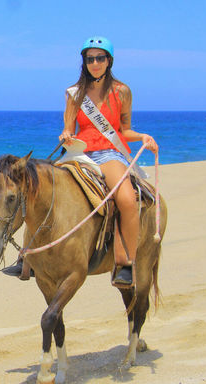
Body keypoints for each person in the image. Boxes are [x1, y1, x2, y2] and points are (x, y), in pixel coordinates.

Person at [59, 36, 158, 286]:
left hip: (108, 154)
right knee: (41, 189)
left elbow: (123, 131)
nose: (95, 63)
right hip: (78, 153)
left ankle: (125, 263)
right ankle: (27, 257)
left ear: (108, 61)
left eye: (99, 58)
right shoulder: (74, 94)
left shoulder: (122, 91)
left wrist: (143, 136)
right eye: (90, 58)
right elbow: (68, 129)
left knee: (126, 199)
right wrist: (66, 135)